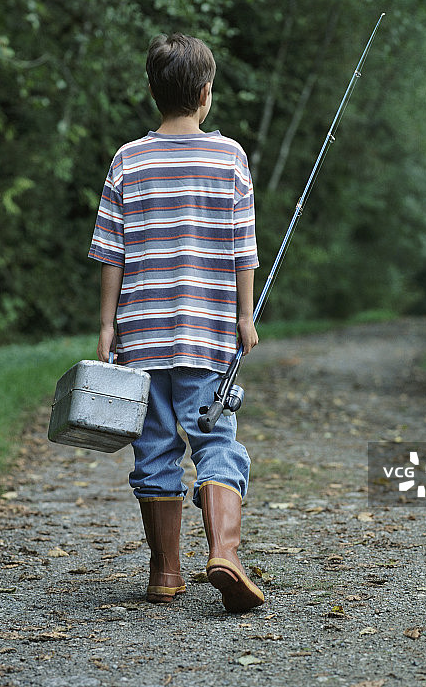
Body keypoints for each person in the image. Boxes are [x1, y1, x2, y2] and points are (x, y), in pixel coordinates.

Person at [88, 33, 264, 613]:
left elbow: (112, 252)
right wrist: (244, 315)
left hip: (142, 334)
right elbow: (243, 248)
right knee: (216, 438)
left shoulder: (127, 159)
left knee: (155, 446)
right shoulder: (229, 157)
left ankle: (165, 572)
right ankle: (226, 555)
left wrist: (108, 325)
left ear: (151, 93)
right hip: (210, 336)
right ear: (206, 93)